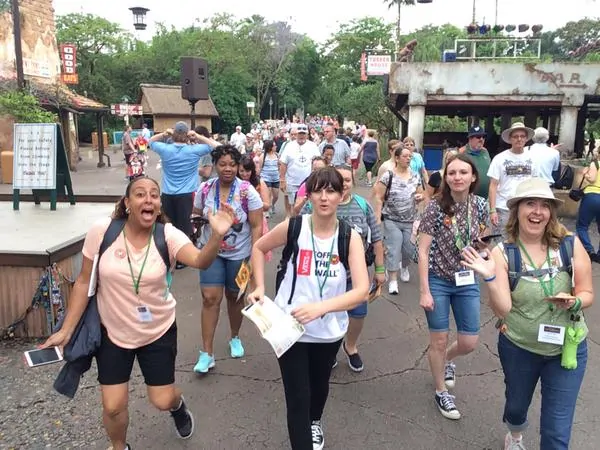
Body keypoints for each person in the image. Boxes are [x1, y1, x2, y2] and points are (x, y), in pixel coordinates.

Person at [41, 177, 236, 450]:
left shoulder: (167, 235)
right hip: (112, 330)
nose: (148, 200)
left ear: (159, 204)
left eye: (154, 195)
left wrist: (216, 236)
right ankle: (119, 446)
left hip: (156, 330)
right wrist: (66, 329)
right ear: (127, 203)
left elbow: (201, 261)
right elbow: (84, 281)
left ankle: (177, 407)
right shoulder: (103, 231)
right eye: (140, 194)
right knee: (112, 407)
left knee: (161, 399)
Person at [461, 177, 592, 450]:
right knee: (516, 407)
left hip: (567, 348)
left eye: (544, 205)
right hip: (519, 347)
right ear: (517, 209)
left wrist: (575, 302)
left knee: (556, 431)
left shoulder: (569, 244)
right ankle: (515, 434)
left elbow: (587, 293)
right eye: (530, 203)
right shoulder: (503, 252)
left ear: (551, 213)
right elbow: (503, 309)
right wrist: (489, 278)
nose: (537, 211)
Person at [248, 167, 370, 450]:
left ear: (342, 195)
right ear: (309, 194)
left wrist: (321, 308)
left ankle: (316, 420)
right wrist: (259, 287)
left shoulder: (349, 237)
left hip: (328, 331)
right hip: (289, 329)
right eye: (318, 190)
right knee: (297, 398)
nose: (324, 197)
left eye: (331, 191)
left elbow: (362, 290)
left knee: (319, 387)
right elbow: (258, 248)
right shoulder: (294, 227)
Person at [417, 153, 490, 421]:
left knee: (469, 341)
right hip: (438, 279)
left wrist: (485, 254)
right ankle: (440, 391)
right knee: (438, 338)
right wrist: (424, 290)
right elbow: (423, 251)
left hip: (467, 278)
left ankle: (445, 360)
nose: (457, 177)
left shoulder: (481, 205)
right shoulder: (435, 207)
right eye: (452, 173)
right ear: (446, 178)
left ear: (473, 177)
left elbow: (483, 241)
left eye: (463, 172)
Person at [192, 145, 264, 373]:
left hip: (239, 254)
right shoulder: (205, 189)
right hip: (210, 252)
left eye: (232, 164)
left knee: (234, 297)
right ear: (214, 166)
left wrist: (254, 258)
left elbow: (256, 227)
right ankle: (206, 353)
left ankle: (234, 336)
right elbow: (194, 215)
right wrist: (204, 225)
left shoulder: (247, 192)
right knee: (210, 298)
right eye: (222, 164)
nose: (227, 169)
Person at [149, 122, 219, 270]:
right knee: (185, 227)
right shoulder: (194, 150)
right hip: (187, 193)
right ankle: (182, 259)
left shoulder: (165, 149)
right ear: (187, 135)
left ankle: (168, 255)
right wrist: (198, 136)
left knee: (168, 225)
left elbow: (150, 142)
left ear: (173, 134)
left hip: (168, 193)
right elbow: (215, 146)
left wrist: (164, 134)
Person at [373, 147, 424, 294]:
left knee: (409, 249)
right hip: (391, 219)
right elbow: (378, 196)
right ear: (397, 158)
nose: (408, 159)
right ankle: (393, 280)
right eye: (405, 156)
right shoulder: (388, 176)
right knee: (394, 248)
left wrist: (420, 197)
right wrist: (377, 216)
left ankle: (405, 266)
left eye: (410, 156)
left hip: (410, 219)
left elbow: (421, 193)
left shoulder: (415, 176)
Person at [488, 122, 535, 237]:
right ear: (510, 139)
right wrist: (492, 210)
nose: (519, 139)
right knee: (502, 240)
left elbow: (534, 183)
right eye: (515, 136)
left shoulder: (533, 158)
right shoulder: (499, 158)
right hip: (504, 207)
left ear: (526, 138)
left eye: (522, 136)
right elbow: (493, 185)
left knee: (522, 239)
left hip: (524, 206)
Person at [280, 124, 321, 218]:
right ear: (296, 134)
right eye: (299, 134)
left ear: (307, 134)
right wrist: (282, 179)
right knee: (292, 202)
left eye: (304, 134)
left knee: (307, 202)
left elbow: (318, 162)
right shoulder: (289, 146)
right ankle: (291, 218)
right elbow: (283, 163)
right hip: (292, 180)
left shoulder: (313, 146)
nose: (301, 136)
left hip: (308, 181)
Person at [575, 156, 600, 262]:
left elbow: (592, 178)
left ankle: (589, 250)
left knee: (582, 226)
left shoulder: (596, 163)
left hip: (592, 195)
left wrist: (585, 173)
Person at [459, 126, 491, 198]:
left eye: (483, 137)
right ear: (470, 138)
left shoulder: (485, 152)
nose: (481, 139)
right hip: (468, 198)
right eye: (478, 137)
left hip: (486, 198)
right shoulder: (461, 152)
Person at [260, 139, 280, 216]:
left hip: (275, 178)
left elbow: (279, 165)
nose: (276, 146)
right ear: (270, 147)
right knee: (267, 195)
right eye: (274, 145)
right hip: (266, 177)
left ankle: (272, 205)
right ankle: (266, 210)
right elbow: (260, 167)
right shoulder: (263, 156)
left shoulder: (277, 155)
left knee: (276, 195)